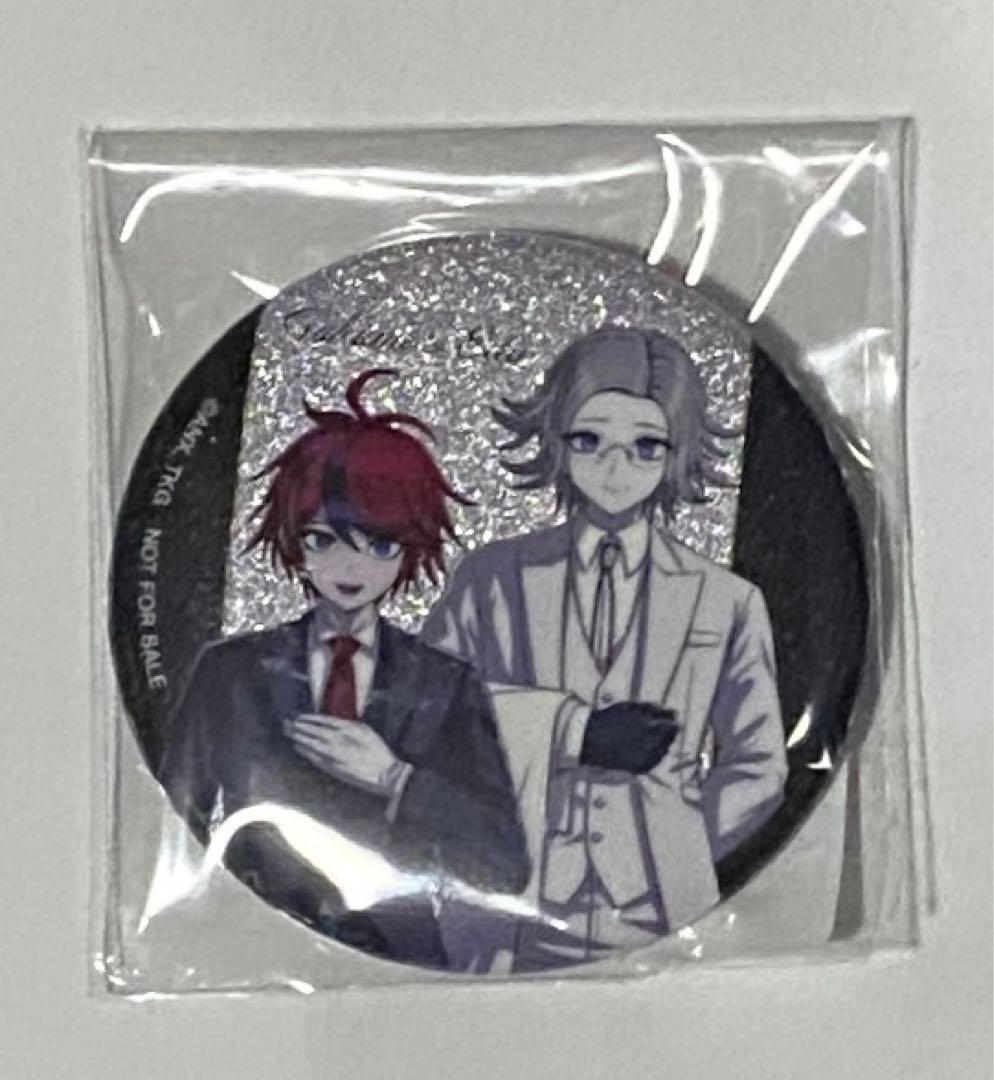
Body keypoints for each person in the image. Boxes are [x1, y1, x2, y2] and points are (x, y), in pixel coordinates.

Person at [422, 326, 788, 970]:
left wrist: (680, 847)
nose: (616, 469)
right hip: (510, 903)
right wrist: (561, 735)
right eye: (589, 441)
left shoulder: (726, 599)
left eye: (646, 446)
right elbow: (428, 714)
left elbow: (759, 764)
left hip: (663, 915)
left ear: (678, 451)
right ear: (556, 439)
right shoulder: (492, 578)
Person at [159, 369, 528, 969]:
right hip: (248, 951)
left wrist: (396, 779)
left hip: (403, 958)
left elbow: (503, 865)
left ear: (410, 548)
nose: (350, 567)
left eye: (379, 545)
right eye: (324, 539)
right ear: (294, 540)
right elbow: (168, 836)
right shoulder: (230, 672)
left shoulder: (444, 683)